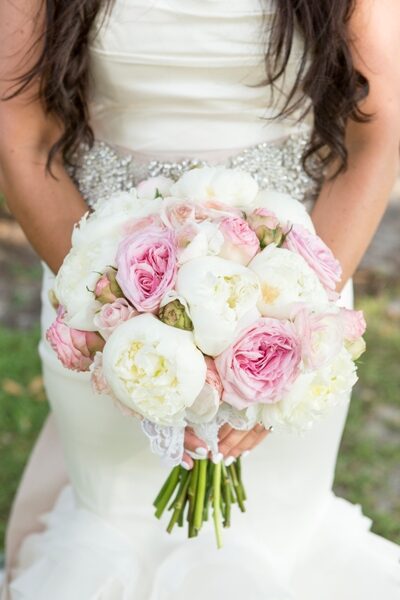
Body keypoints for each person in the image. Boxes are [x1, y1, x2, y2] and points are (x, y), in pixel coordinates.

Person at [1, 1, 399, 598]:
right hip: (100, 290)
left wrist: (292, 330)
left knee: (272, 534)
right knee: (118, 521)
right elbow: (19, 132)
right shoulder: (104, 305)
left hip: (289, 292)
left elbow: (380, 127)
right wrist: (113, 314)